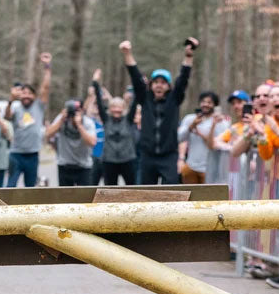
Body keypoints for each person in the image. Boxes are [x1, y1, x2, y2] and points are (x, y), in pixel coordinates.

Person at [120, 37, 197, 184]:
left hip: (169, 156)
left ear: (168, 86)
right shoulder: (145, 99)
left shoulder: (174, 100)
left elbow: (183, 79)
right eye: (155, 82)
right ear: (151, 85)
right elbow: (135, 76)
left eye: (163, 83)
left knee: (172, 194)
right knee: (146, 195)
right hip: (147, 156)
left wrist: (188, 56)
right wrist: (127, 54)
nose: (159, 86)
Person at [5, 54, 52, 187]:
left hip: (32, 155)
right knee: (10, 187)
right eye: (23, 93)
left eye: (29, 93)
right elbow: (7, 116)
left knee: (30, 188)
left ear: (34, 96)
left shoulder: (39, 106)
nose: (26, 95)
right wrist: (10, 100)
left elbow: (46, 87)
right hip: (16, 154)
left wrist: (47, 67)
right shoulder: (15, 106)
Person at [92, 69, 137, 185]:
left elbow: (135, 102)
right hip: (109, 160)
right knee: (110, 191)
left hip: (128, 159)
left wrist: (138, 83)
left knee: (133, 189)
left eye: (119, 107)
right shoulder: (106, 119)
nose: (117, 110)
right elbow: (99, 100)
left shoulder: (128, 119)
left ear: (123, 108)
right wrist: (96, 82)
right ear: (110, 109)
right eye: (114, 107)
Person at [45, 98, 97, 186]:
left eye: (78, 110)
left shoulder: (88, 122)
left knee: (85, 198)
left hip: (84, 167)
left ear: (82, 111)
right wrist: (61, 120)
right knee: (66, 198)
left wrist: (79, 125)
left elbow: (92, 142)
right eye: (72, 110)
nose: (74, 113)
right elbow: (48, 134)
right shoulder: (62, 119)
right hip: (64, 165)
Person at [177, 91, 225, 183]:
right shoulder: (190, 119)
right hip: (190, 167)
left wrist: (201, 134)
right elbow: (179, 138)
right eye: (203, 101)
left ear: (215, 105)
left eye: (209, 102)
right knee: (190, 196)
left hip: (210, 169)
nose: (206, 104)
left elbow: (218, 144)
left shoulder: (220, 123)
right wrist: (191, 126)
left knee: (208, 197)